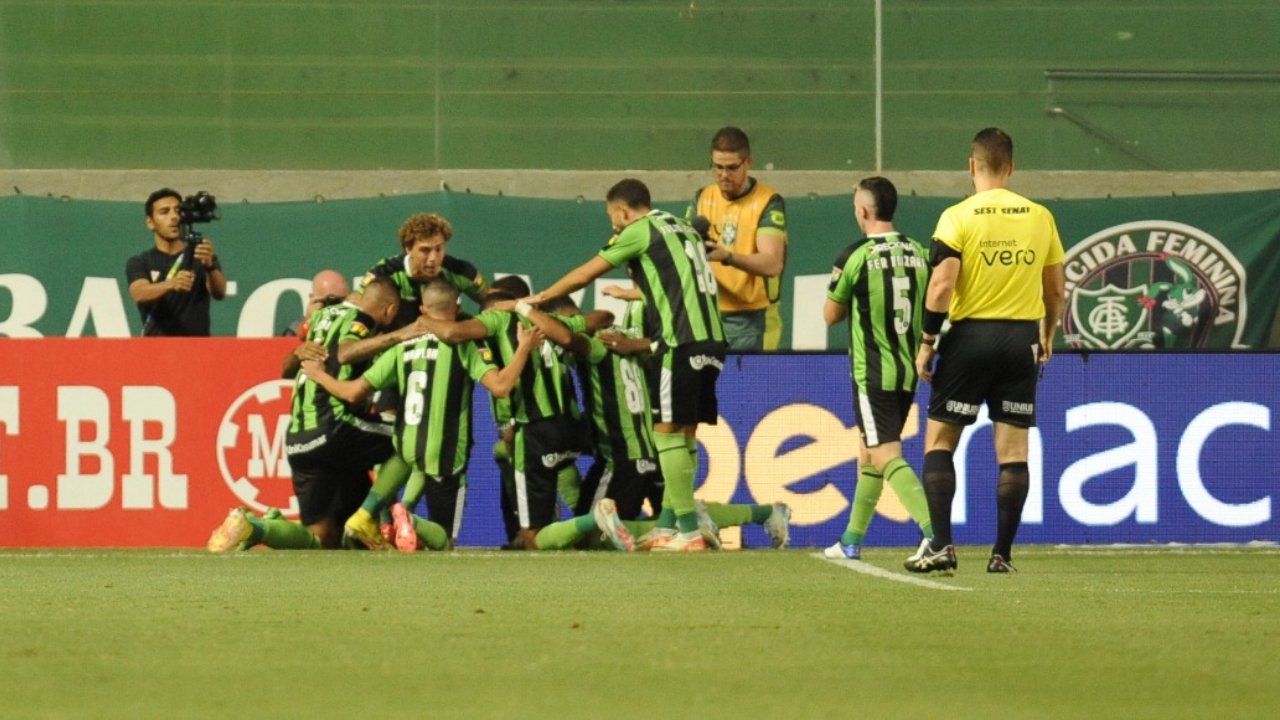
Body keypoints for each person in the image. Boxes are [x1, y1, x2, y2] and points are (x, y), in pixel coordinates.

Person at [521, 178, 727, 552]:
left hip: (679, 342)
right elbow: (671, 283)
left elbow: (587, 272)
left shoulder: (638, 230)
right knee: (684, 434)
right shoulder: (680, 227)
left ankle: (689, 532)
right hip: (712, 340)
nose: (613, 223)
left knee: (665, 434)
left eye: (611, 216)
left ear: (621, 210)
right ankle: (668, 526)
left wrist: (542, 297)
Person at [909, 128, 1066, 574]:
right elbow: (1055, 289)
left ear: (971, 165)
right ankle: (1002, 555)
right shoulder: (1040, 216)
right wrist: (1048, 334)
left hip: (969, 339)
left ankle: (941, 545)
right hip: (1020, 339)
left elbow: (942, 284)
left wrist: (927, 342)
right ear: (1012, 167)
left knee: (940, 442)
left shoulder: (957, 216)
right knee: (1013, 451)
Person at [302, 278, 542, 552]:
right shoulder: (466, 343)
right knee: (445, 541)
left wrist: (320, 376)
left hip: (407, 448)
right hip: (447, 454)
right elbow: (501, 387)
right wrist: (524, 348)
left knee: (396, 453)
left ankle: (379, 513)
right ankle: (409, 519)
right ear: (457, 306)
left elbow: (353, 392)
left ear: (423, 310)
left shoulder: (402, 345)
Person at [207, 277, 406, 552]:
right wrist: (399, 336)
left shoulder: (320, 317)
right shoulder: (363, 320)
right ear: (390, 309)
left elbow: (285, 370)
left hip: (300, 439)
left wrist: (298, 352)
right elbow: (346, 352)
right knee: (411, 440)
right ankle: (367, 515)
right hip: (335, 427)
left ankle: (256, 528)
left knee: (322, 539)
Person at [820, 177, 935, 561]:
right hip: (907, 371)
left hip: (872, 372)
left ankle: (934, 533)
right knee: (868, 455)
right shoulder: (919, 252)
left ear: (864, 211)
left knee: (884, 453)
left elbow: (830, 315)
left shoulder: (854, 255)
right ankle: (851, 539)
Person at [688, 127, 787, 351]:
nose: (724, 174)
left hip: (752, 320)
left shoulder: (768, 201)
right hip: (708, 316)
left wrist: (728, 257)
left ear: (748, 162)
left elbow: (772, 263)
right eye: (718, 167)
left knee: (749, 386)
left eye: (732, 167)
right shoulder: (702, 197)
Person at [125, 188, 228, 336]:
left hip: (197, 350)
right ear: (150, 222)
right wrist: (172, 284)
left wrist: (210, 267)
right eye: (164, 212)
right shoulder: (140, 261)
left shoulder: (200, 254)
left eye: (177, 211)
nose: (173, 217)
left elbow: (220, 293)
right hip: (157, 350)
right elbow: (139, 293)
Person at [363, 212, 488, 331]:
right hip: (398, 343)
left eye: (439, 249)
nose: (433, 258)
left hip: (446, 341)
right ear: (408, 249)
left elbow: (493, 302)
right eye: (425, 250)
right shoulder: (385, 272)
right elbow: (359, 310)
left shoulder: (461, 271)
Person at [281, 269, 351, 338]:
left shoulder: (357, 320)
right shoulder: (295, 329)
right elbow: (287, 346)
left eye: (343, 300)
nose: (338, 307)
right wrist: (310, 320)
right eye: (332, 301)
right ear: (313, 299)